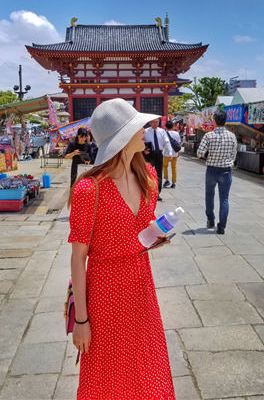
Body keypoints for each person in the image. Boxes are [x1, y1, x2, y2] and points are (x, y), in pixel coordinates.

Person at [68, 98, 174, 399]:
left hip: (141, 286)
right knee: (107, 376)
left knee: (147, 369)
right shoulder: (89, 189)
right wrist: (81, 321)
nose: (145, 130)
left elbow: (139, 230)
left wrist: (154, 236)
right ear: (123, 137)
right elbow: (78, 258)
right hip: (104, 292)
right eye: (138, 126)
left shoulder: (148, 178)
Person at [197, 110, 237, 235]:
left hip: (211, 170)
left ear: (214, 121)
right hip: (226, 170)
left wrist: (208, 156)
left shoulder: (208, 136)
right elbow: (234, 154)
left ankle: (210, 219)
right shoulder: (232, 136)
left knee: (209, 195)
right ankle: (222, 227)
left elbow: (199, 153)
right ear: (225, 121)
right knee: (224, 199)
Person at [143, 118, 167, 200]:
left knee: (158, 174)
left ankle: (157, 193)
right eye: (154, 122)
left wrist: (170, 152)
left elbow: (166, 142)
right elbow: (140, 141)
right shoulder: (145, 131)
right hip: (148, 154)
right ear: (150, 123)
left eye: (157, 122)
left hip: (159, 154)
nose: (156, 124)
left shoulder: (162, 131)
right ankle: (147, 192)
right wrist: (144, 149)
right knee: (147, 173)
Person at [163, 120, 181, 189]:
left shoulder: (164, 133)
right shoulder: (176, 133)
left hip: (167, 153)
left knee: (165, 166)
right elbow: (178, 143)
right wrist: (178, 152)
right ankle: (174, 183)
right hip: (174, 153)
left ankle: (166, 180)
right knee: (174, 168)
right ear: (173, 126)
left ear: (166, 127)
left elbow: (163, 144)